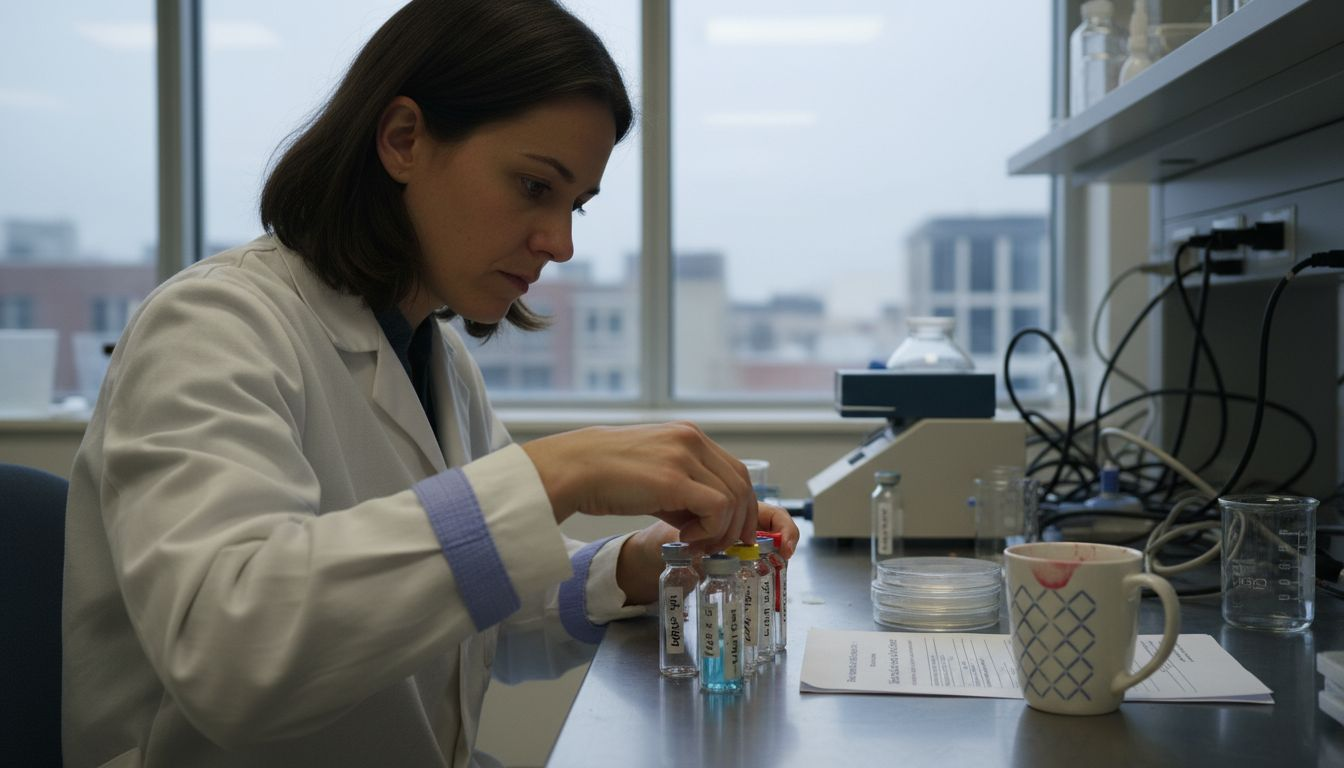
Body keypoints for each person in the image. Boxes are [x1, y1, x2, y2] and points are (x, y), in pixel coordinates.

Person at [60, 1, 799, 766]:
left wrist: (643, 563)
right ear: (404, 140)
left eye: (574, 205)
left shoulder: (434, 358)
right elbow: (231, 650)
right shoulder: (212, 327)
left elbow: (482, 604)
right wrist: (556, 472)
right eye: (534, 186)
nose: (561, 243)